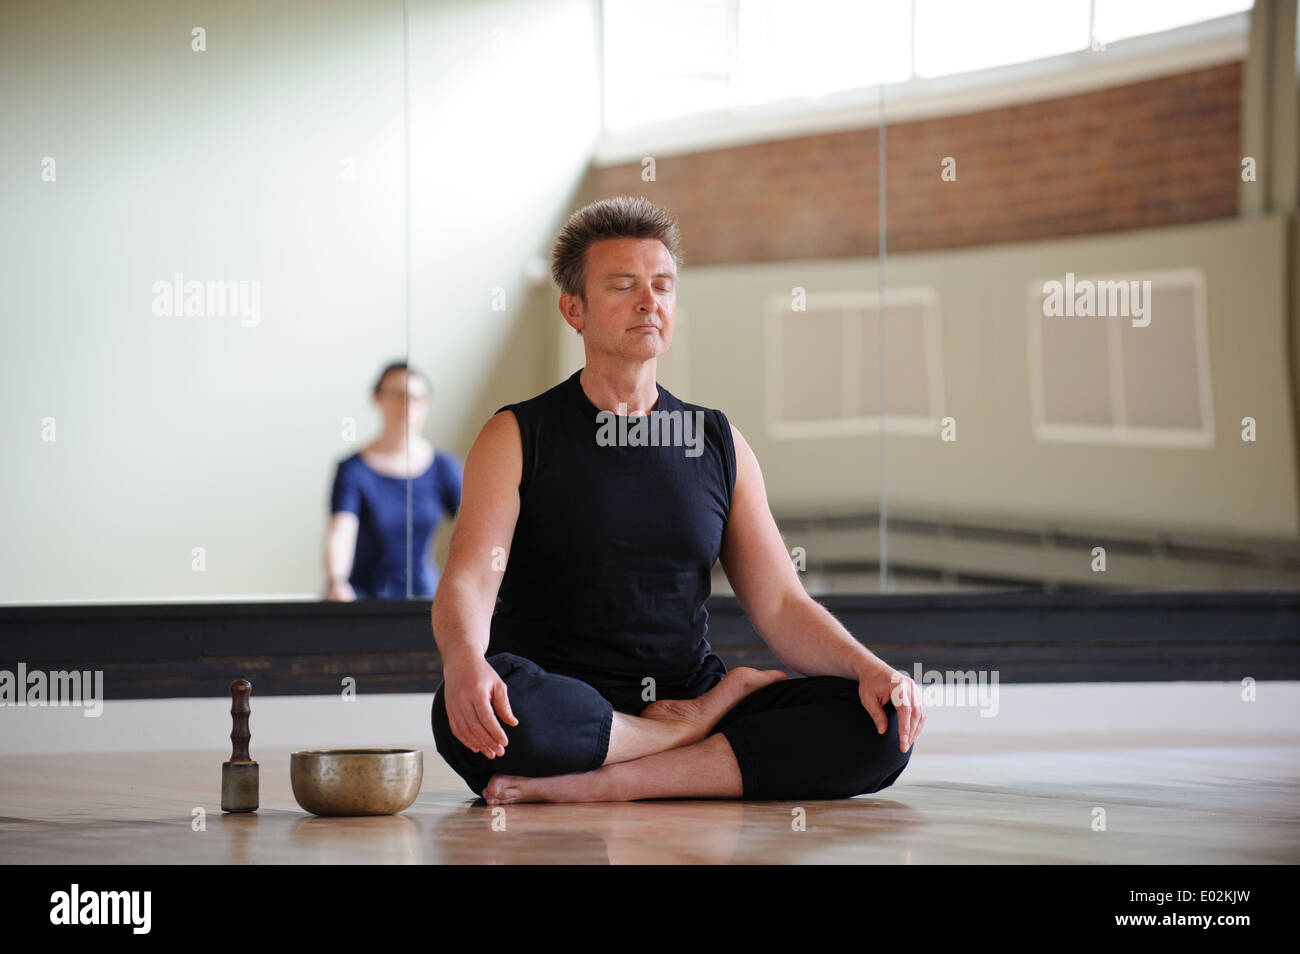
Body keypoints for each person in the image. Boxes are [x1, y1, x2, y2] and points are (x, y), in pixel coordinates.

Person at [430, 196, 925, 804]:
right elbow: (470, 581)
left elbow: (780, 603)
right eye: (623, 286)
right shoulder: (515, 435)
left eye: (662, 285)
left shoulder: (719, 442)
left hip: (687, 689)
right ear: (573, 309)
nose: (649, 302)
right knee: (484, 713)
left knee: (878, 727)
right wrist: (463, 663)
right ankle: (681, 739)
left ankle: (615, 782)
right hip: (563, 699)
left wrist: (870, 668)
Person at [325, 363, 462, 600]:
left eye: (417, 399)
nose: (407, 406)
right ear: (377, 398)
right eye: (398, 395)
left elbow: (473, 527)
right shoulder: (353, 470)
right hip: (363, 597)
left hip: (425, 597)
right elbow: (341, 531)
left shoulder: (444, 468)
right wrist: (337, 581)